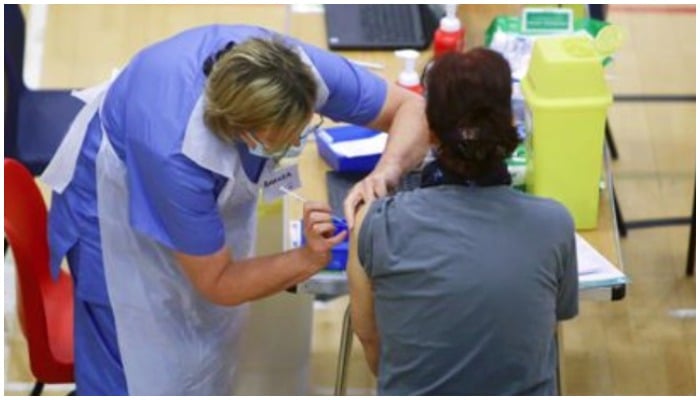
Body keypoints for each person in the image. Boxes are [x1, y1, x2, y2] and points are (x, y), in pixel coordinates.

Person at [40, 24, 428, 395]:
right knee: (134, 353)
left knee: (203, 342)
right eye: (286, 136)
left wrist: (385, 173)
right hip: (109, 207)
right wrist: (307, 258)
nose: (298, 141)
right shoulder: (175, 156)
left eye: (303, 125)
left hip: (170, 146)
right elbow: (219, 282)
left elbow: (410, 108)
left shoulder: (293, 69)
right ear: (243, 131)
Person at [347, 48, 579, 395]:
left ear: (431, 133)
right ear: (511, 123)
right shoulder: (555, 223)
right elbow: (544, 325)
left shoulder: (376, 222)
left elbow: (370, 339)